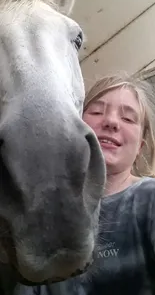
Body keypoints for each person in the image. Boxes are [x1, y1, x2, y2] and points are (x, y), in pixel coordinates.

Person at [14, 71, 155, 294]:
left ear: (140, 147)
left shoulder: (149, 199)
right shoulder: (43, 212)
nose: (110, 122)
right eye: (97, 111)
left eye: (128, 118)